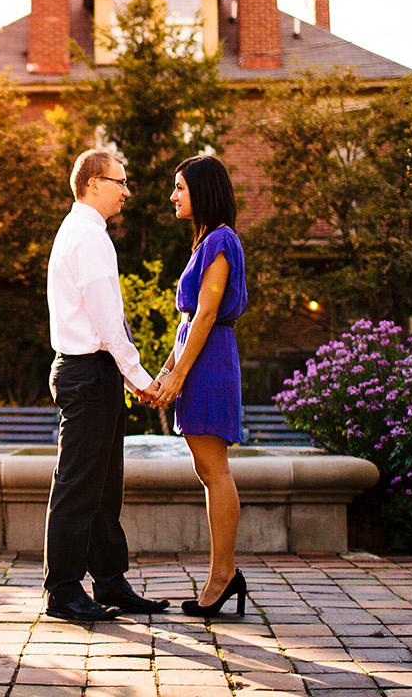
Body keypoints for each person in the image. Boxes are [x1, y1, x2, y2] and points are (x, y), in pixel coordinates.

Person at [42, 149, 169, 622]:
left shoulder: (83, 231)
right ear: (94, 183)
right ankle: (63, 591)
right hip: (88, 371)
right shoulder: (87, 237)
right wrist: (141, 378)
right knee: (77, 485)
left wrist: (126, 374)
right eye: (121, 181)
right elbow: (107, 322)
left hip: (95, 372)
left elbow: (109, 321)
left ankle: (110, 582)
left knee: (103, 486)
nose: (127, 190)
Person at [152, 154, 250, 617]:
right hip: (198, 358)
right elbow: (190, 320)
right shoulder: (206, 242)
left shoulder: (222, 241)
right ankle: (222, 576)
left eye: (180, 188)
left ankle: (223, 578)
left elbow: (207, 315)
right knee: (208, 472)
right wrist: (166, 369)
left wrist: (180, 373)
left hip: (209, 364)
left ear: (203, 191)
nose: (173, 196)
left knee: (215, 472)